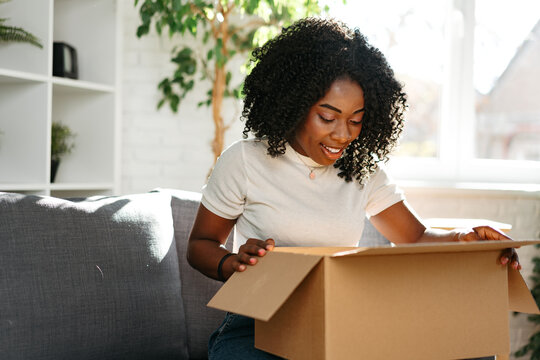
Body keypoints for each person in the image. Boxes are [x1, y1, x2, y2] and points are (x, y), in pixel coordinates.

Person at [187, 17, 519, 360]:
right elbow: (200, 244)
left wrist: (463, 239)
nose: (343, 135)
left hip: (338, 320)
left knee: (469, 351)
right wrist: (231, 263)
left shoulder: (362, 170)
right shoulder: (245, 160)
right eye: (327, 118)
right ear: (294, 105)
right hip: (257, 323)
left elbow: (415, 238)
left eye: (356, 120)